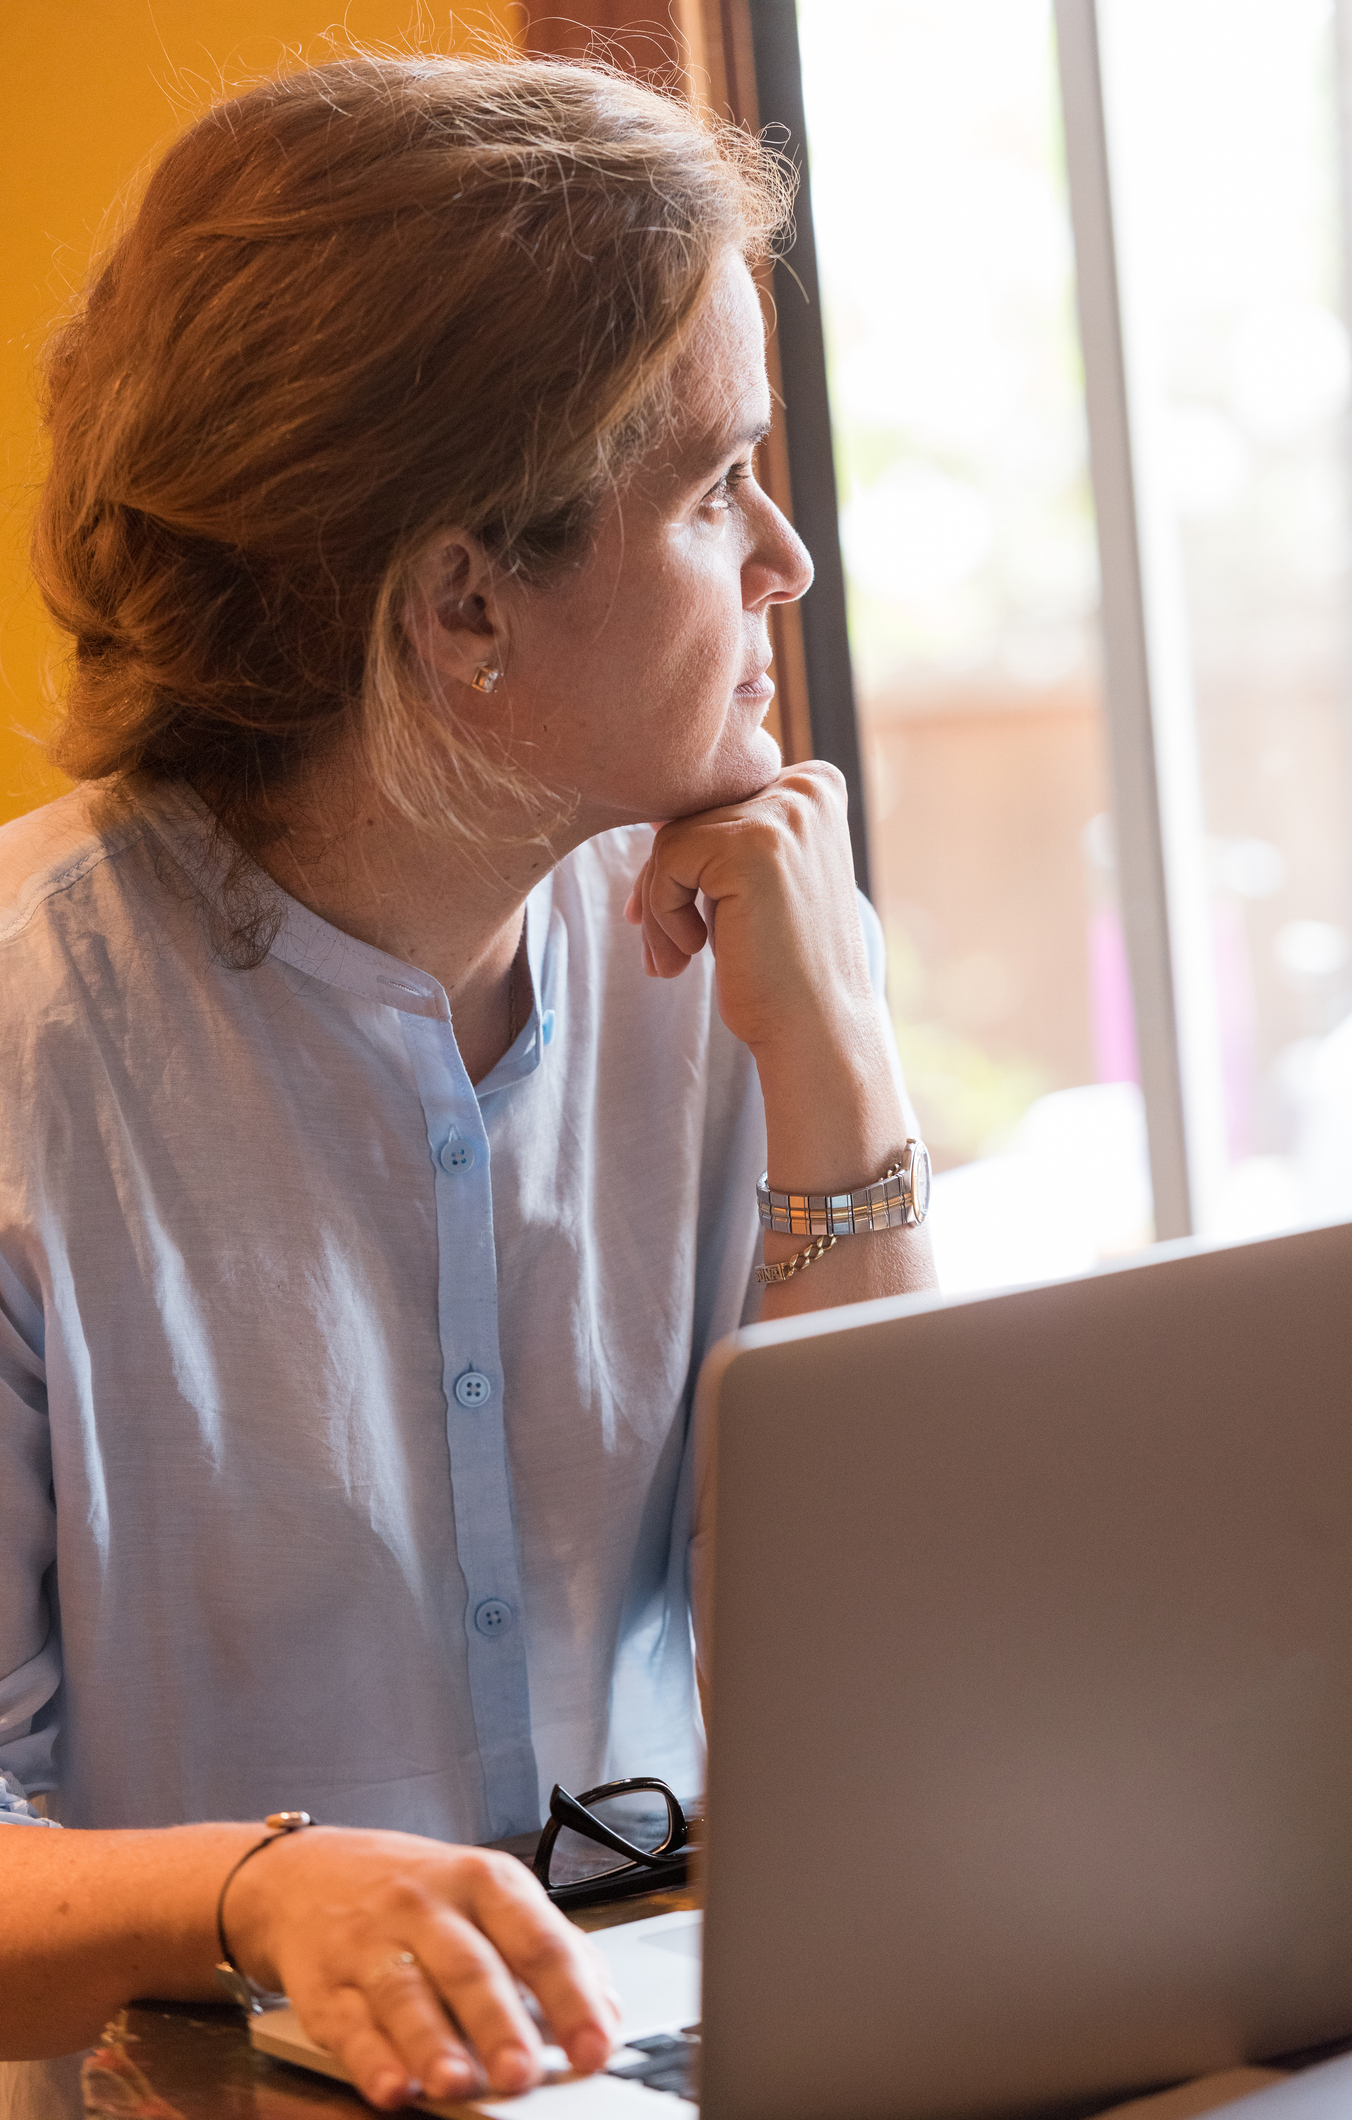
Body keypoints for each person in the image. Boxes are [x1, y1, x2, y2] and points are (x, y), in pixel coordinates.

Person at [0, 47, 935, 2111]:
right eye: (713, 492)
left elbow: (882, 1706)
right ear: (462, 608)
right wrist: (260, 1892)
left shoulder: (737, 962)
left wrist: (842, 1089)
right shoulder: (23, 1057)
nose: (785, 560)